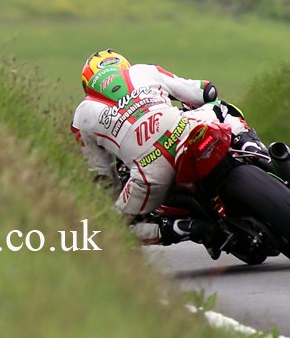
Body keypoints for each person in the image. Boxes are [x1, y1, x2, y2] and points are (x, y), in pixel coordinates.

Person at [70, 49, 232, 245]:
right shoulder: (144, 71)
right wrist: (206, 92)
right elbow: (205, 91)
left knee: (110, 228)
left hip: (150, 174)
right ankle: (261, 154)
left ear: (87, 86)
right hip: (185, 130)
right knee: (221, 108)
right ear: (123, 65)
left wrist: (118, 200)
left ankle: (179, 228)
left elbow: (102, 176)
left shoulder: (81, 117)